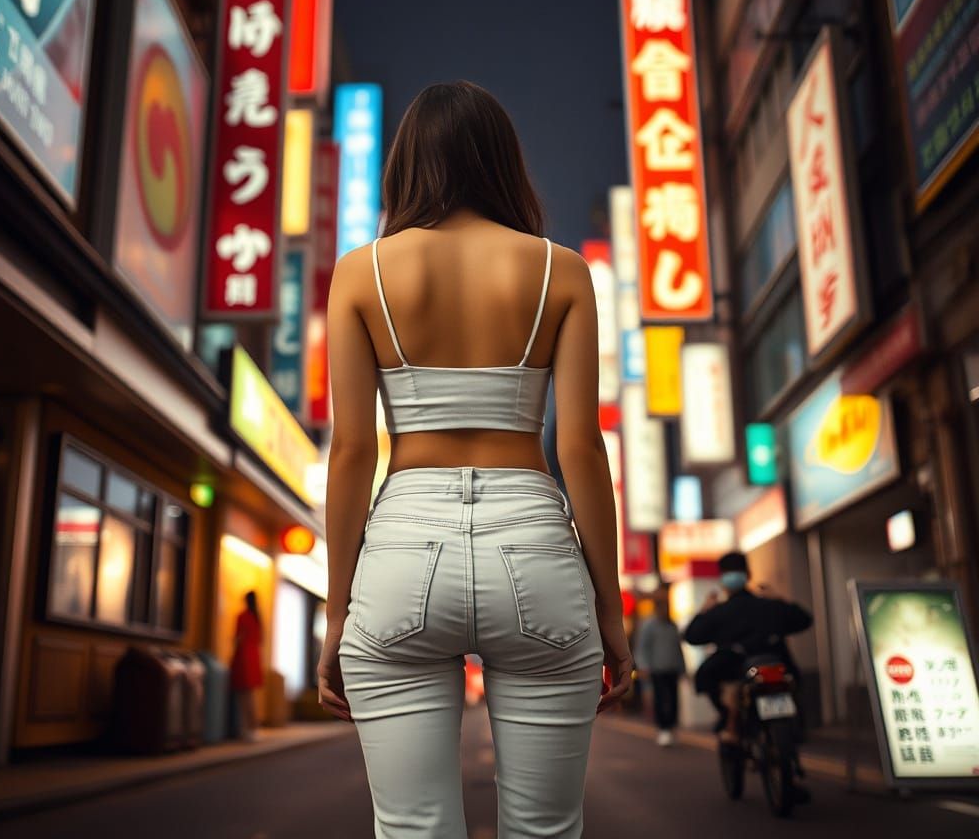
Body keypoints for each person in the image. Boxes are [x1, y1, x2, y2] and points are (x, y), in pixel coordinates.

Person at [317, 81, 633, 838]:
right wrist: (610, 611)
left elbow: (354, 450)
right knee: (547, 828)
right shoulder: (562, 271)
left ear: (406, 166)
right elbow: (581, 449)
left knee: (413, 826)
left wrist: (337, 616)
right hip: (533, 541)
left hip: (401, 546)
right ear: (502, 163)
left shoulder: (362, 273)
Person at [683, 552, 812, 739]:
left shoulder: (719, 612)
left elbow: (692, 636)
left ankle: (729, 720)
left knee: (706, 675)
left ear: (721, 580)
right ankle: (794, 731)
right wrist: (780, 598)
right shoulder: (770, 605)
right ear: (748, 574)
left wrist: (704, 611)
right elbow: (804, 620)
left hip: (738, 674)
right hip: (779, 666)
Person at [636, 596, 686, 746]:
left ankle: (671, 727)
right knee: (660, 699)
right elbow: (642, 648)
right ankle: (663, 728)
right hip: (656, 670)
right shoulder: (649, 626)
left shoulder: (672, 625)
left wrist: (682, 667)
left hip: (672, 669)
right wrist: (643, 666)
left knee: (673, 700)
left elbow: (678, 648)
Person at [230, 591, 264, 741]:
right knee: (250, 696)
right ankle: (253, 728)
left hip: (243, 657)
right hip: (254, 657)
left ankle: (246, 729)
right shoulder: (257, 617)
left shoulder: (242, 616)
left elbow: (238, 638)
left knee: (243, 697)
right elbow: (260, 639)